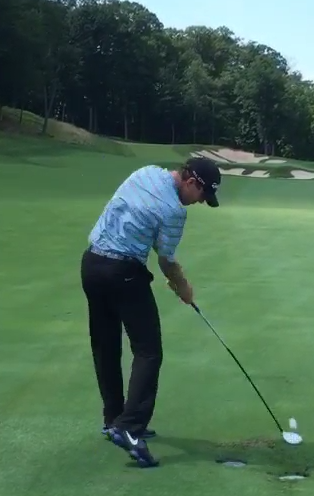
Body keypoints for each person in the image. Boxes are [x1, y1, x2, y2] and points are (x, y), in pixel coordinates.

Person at [80, 156, 222, 468]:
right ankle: (129, 429)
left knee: (106, 344)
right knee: (148, 351)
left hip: (91, 264)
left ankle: (113, 418)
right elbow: (166, 260)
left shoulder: (146, 172)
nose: (200, 202)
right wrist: (184, 288)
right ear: (191, 182)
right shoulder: (175, 211)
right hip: (123, 272)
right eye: (202, 195)